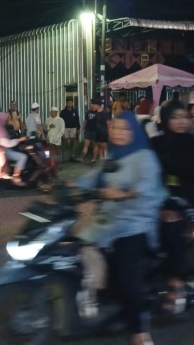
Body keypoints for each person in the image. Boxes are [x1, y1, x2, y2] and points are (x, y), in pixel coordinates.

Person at [76, 111, 167, 345]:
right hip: (109, 220)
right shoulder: (113, 155)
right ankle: (101, 300)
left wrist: (123, 193)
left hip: (135, 223)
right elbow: (94, 176)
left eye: (126, 128)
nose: (119, 132)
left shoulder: (145, 156)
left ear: (134, 131)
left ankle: (139, 332)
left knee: (128, 276)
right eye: (116, 127)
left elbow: (148, 185)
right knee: (77, 246)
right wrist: (70, 186)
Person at [151, 100, 194, 314]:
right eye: (175, 117)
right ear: (165, 119)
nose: (181, 122)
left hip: (187, 202)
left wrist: (178, 205)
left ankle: (175, 283)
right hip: (159, 200)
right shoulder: (156, 144)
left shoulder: (191, 144)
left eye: (184, 117)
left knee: (174, 227)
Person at [0, 109, 28, 185]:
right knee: (23, 157)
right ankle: (16, 177)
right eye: (5, 118)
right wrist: (19, 140)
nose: (6, 120)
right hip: (2, 150)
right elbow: (7, 144)